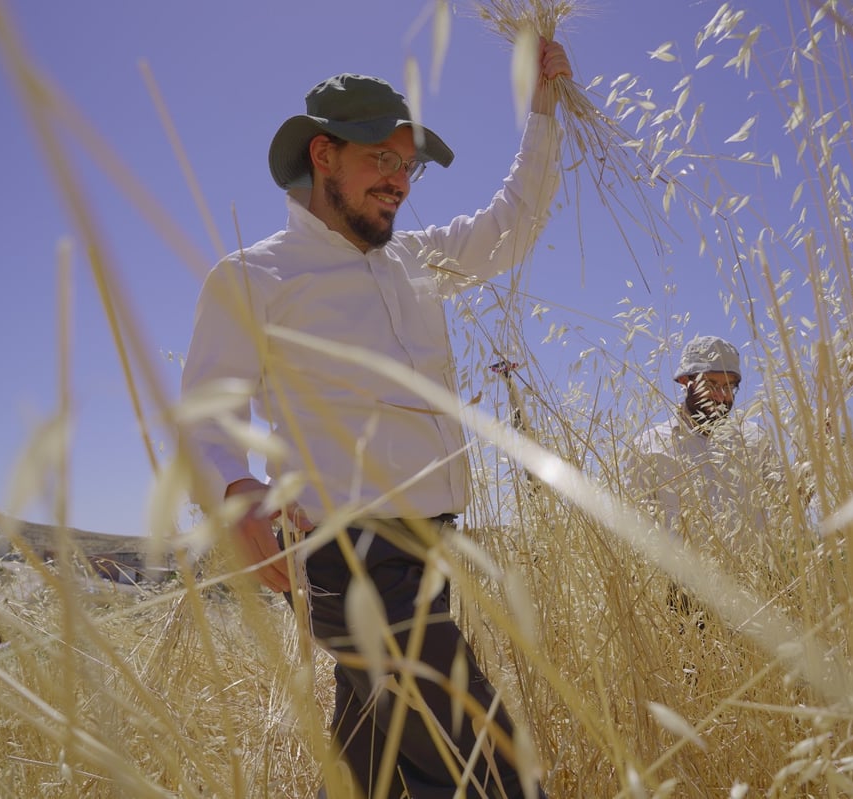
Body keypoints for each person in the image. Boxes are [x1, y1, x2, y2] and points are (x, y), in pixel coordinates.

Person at [179, 40, 572, 799]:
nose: (399, 182)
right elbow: (206, 413)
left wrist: (544, 111)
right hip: (341, 553)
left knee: (370, 763)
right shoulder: (255, 277)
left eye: (407, 166)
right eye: (381, 161)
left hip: (428, 547)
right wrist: (236, 491)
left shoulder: (416, 262)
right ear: (323, 154)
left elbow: (512, 226)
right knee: (487, 770)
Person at [627, 335, 781, 624]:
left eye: (729, 386)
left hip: (751, 592)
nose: (723, 397)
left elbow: (789, 502)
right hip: (679, 603)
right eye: (712, 385)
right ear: (686, 382)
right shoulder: (650, 445)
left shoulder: (755, 440)